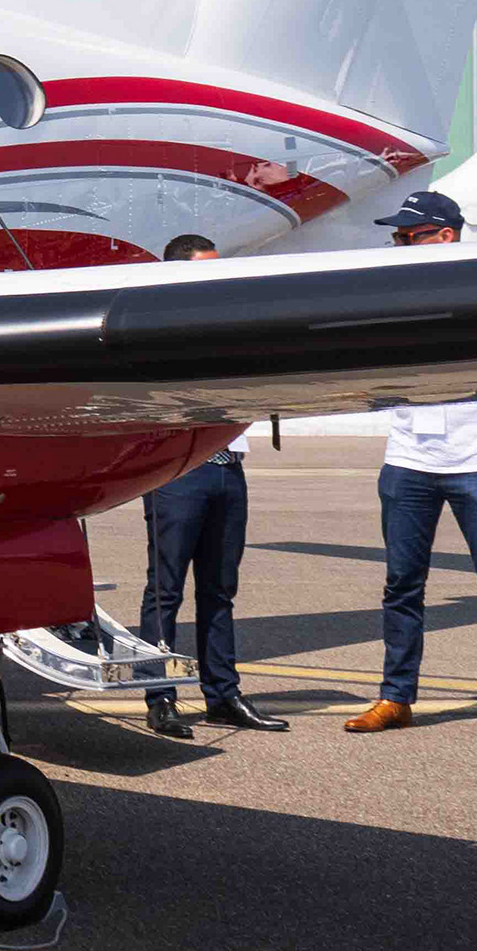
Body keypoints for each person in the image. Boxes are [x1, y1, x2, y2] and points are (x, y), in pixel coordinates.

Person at [344, 191, 477, 753]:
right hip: (409, 459)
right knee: (401, 585)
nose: (398, 244)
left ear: (445, 237)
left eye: (408, 236)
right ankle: (396, 697)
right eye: (397, 237)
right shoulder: (395, 298)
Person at [135, 234, 283, 735]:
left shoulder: (229, 323)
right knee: (166, 590)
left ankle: (223, 694)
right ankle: (160, 697)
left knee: (220, 590)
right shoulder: (158, 327)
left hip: (228, 468)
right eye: (206, 267)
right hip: (179, 472)